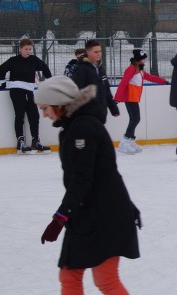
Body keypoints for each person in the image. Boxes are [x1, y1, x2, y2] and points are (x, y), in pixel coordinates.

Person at [36, 76, 140, 295]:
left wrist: (60, 216)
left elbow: (84, 177)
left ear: (58, 103)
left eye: (45, 107)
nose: (44, 114)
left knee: (105, 279)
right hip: (87, 212)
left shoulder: (83, 128)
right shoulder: (73, 126)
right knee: (69, 274)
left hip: (103, 214)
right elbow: (106, 171)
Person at [0, 37, 53, 153]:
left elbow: (44, 67)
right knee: (20, 115)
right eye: (26, 49)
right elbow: (1, 69)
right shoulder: (13, 60)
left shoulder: (33, 60)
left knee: (34, 115)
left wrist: (50, 81)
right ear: (20, 49)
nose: (28, 51)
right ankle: (20, 142)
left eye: (30, 49)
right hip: (17, 91)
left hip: (29, 91)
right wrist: (2, 83)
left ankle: (36, 141)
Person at [113, 49, 166, 155]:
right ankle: (125, 142)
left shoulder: (140, 70)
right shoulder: (131, 69)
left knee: (135, 119)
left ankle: (130, 141)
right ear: (137, 60)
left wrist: (163, 81)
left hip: (134, 98)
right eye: (143, 59)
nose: (144, 61)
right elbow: (123, 83)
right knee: (135, 119)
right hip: (130, 98)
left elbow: (150, 77)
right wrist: (117, 98)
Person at [69, 39, 120, 124]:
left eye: (100, 51)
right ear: (88, 52)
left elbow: (106, 90)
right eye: (96, 52)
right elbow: (74, 91)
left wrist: (113, 107)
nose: (99, 54)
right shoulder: (82, 69)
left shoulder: (100, 69)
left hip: (100, 115)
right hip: (87, 116)